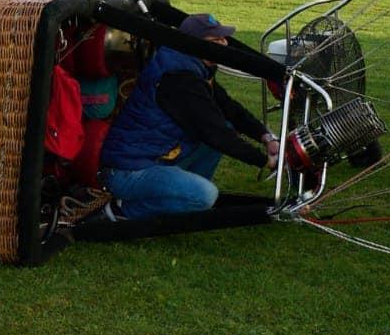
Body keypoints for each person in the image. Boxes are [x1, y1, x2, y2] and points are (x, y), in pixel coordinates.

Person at [98, 13, 280, 218]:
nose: (224, 44)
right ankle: (122, 211)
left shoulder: (192, 66)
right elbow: (216, 133)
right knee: (205, 195)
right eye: (215, 41)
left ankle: (183, 195)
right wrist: (265, 161)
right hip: (129, 170)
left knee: (224, 130)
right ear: (194, 45)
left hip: (154, 155)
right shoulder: (180, 79)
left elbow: (229, 108)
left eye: (223, 38)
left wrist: (265, 136)